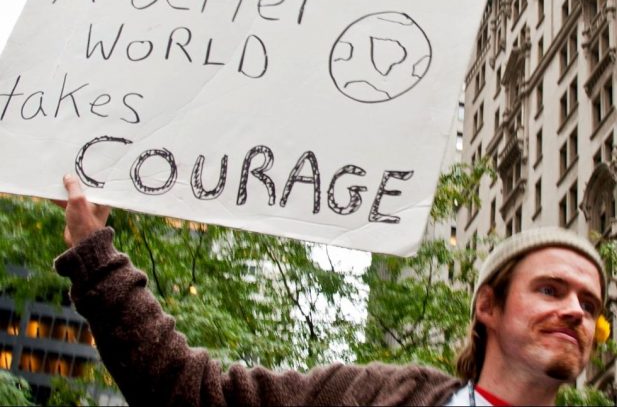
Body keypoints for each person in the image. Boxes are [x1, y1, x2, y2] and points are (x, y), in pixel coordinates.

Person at [53, 174, 607, 406]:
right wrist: (96, 256)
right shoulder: (375, 395)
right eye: (551, 290)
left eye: (590, 303)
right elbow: (195, 395)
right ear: (487, 305)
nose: (574, 311)